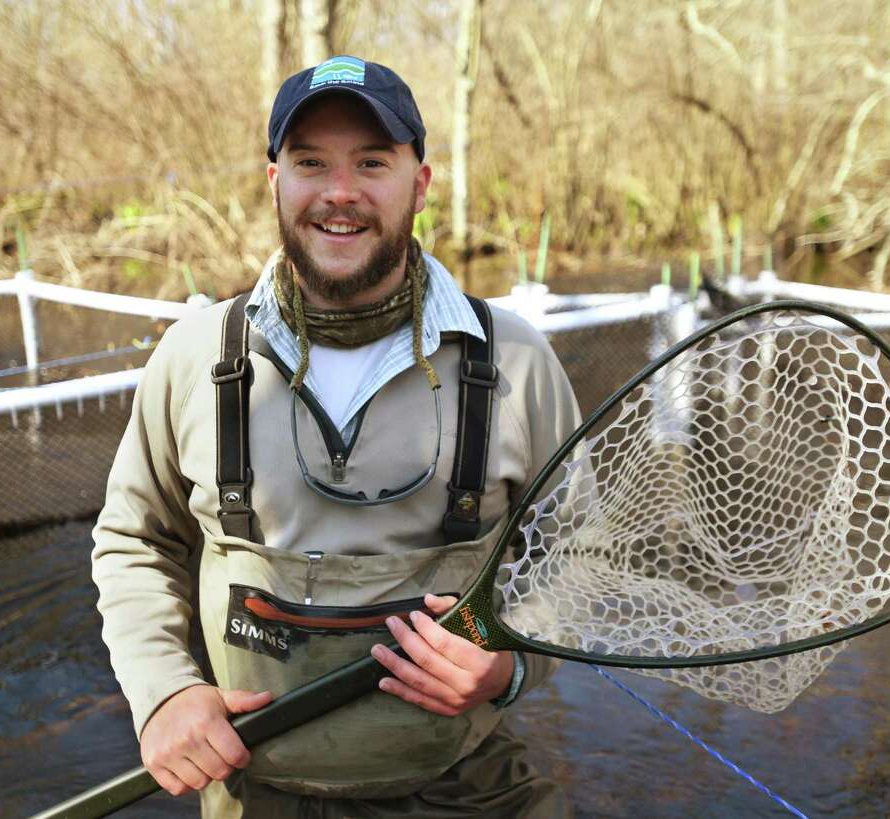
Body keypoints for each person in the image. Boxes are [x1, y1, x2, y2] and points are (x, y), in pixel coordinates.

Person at [92, 55, 581, 818]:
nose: (340, 192)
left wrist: (510, 665)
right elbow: (134, 540)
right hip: (256, 794)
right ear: (274, 182)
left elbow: (585, 552)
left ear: (421, 184)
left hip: (472, 789)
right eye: (311, 162)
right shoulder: (193, 355)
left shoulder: (515, 361)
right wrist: (163, 692)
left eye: (372, 162)